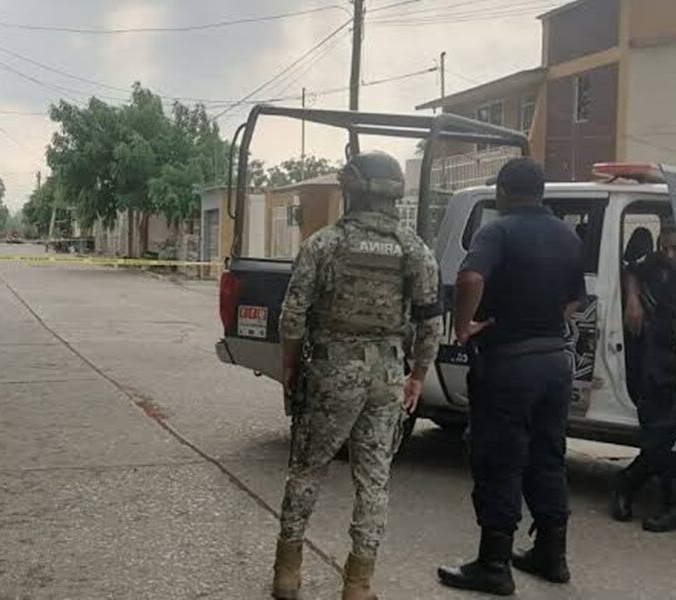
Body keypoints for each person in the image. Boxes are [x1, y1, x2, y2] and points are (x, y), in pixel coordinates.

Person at [271, 151, 443, 600]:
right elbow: (430, 323)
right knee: (374, 478)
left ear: (351, 189)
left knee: (307, 469)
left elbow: (292, 317)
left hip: (331, 369)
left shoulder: (323, 244)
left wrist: (289, 368)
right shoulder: (414, 249)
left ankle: (287, 574)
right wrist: (418, 376)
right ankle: (358, 582)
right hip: (387, 374)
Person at [438, 158, 585, 595]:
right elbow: (575, 300)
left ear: (502, 191)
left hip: (510, 363)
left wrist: (464, 327)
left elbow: (469, 277)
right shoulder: (567, 235)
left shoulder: (497, 230)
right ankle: (552, 556)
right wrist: (542, 318)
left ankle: (493, 566)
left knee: (500, 458)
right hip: (555, 361)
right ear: (542, 192)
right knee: (548, 456)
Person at [610, 224, 676, 532]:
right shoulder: (653, 262)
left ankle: (628, 481)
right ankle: (669, 504)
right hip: (658, 358)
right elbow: (631, 270)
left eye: (675, 250)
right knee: (658, 432)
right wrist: (633, 299)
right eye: (665, 247)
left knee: (664, 437)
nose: (669, 255)